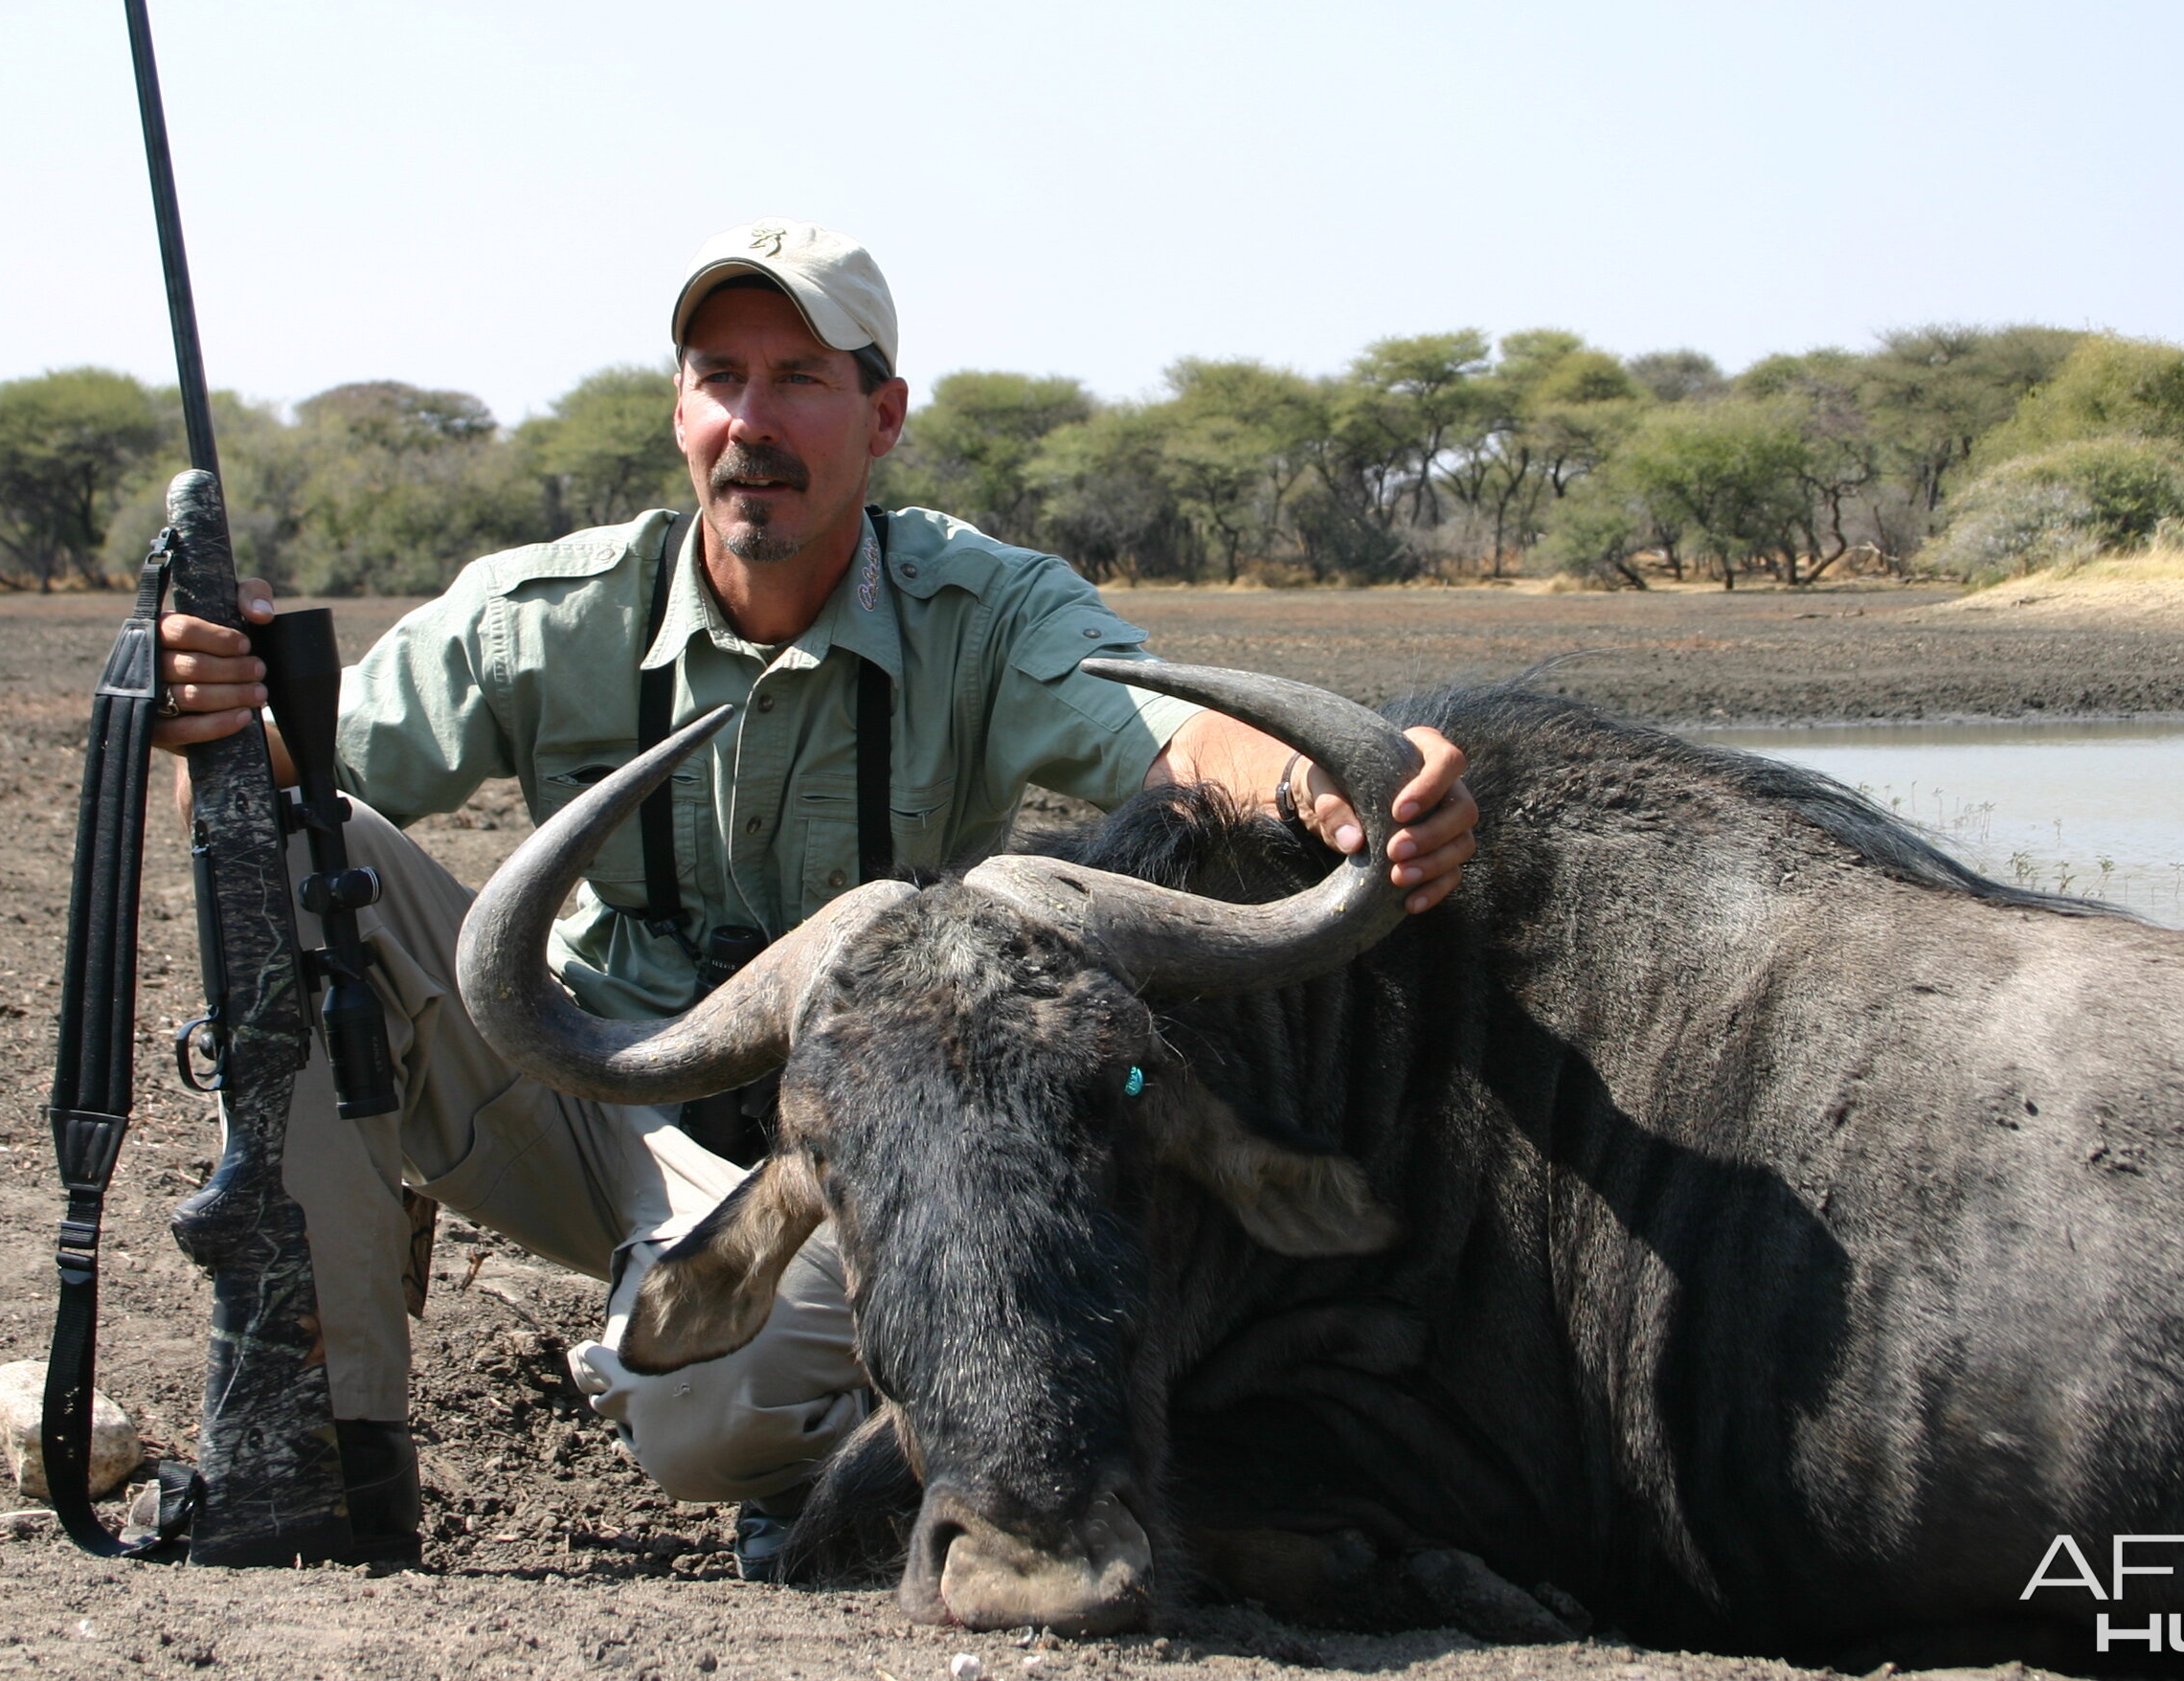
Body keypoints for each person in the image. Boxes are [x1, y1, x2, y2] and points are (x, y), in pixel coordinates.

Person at [149, 218, 1478, 1569]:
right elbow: (255, 822)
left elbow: (1167, 732)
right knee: (303, 874)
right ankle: (321, 1455)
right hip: (598, 1092)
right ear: (678, 412)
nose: (752, 421)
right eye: (719, 377)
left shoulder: (990, 608)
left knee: (702, 1427)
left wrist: (1327, 781)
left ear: (884, 415)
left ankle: (930, 1425)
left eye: (800, 379)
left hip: (875, 1145)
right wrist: (217, 726)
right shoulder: (540, 611)